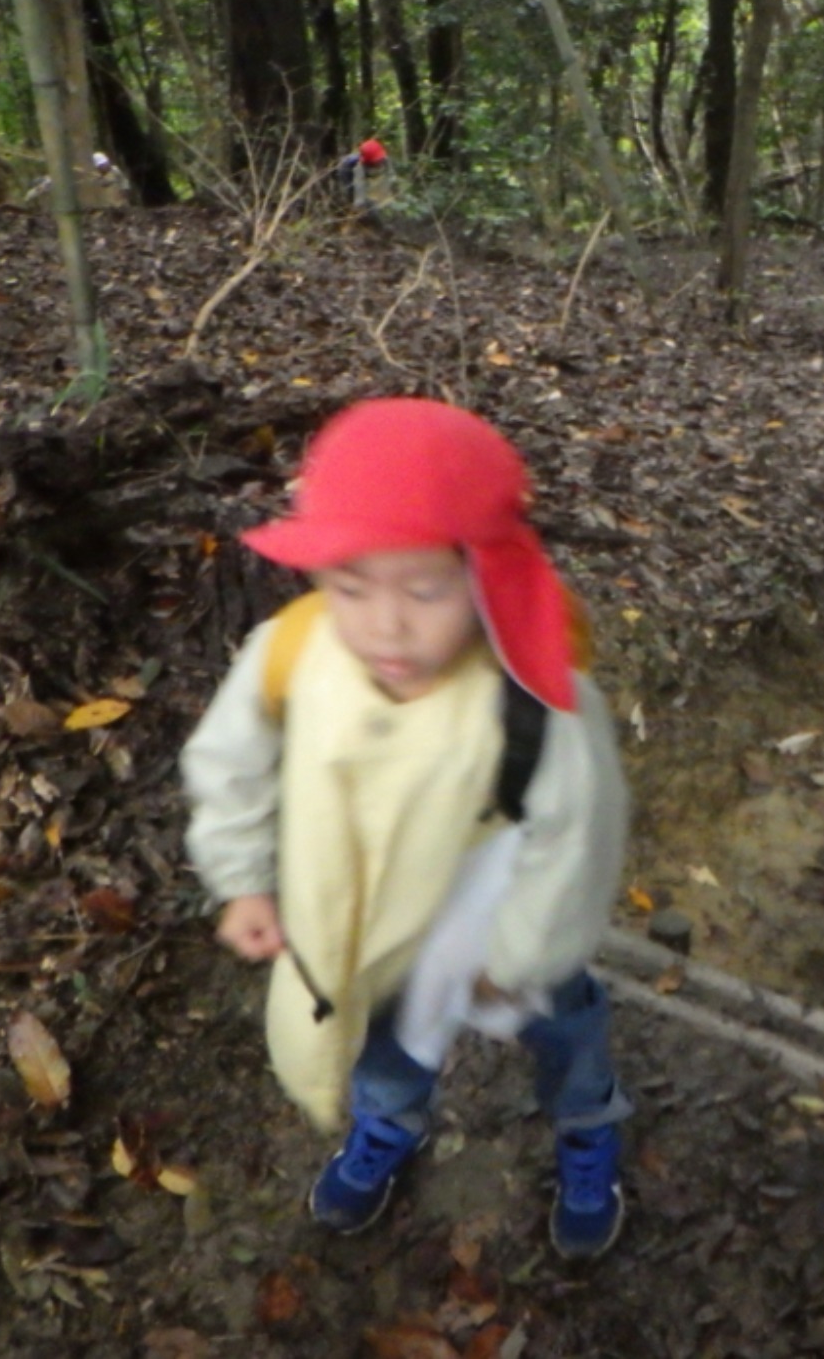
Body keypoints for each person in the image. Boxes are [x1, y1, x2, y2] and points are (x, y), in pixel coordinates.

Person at [180, 398, 632, 1258]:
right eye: (351, 585)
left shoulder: (537, 698)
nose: (385, 624)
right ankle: (390, 1125)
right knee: (383, 1034)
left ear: (484, 575)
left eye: (424, 589)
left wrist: (521, 956)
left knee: (563, 1028)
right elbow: (228, 758)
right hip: (373, 915)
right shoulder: (296, 651)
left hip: (500, 892)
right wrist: (240, 874)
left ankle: (587, 1129)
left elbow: (577, 838)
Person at [334, 137, 394, 210]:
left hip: (365, 169)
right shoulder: (357, 167)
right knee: (351, 193)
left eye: (380, 160)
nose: (379, 162)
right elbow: (359, 184)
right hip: (345, 170)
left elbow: (391, 176)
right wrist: (359, 203)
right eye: (377, 161)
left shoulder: (384, 158)